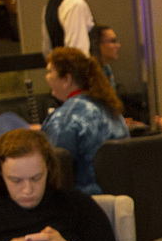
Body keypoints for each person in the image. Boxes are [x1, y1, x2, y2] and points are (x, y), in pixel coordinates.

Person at [41, 47, 129, 194]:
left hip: (82, 202)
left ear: (67, 80)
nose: (47, 77)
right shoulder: (111, 109)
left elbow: (52, 173)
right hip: (121, 199)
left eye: (50, 72)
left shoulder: (64, 119)